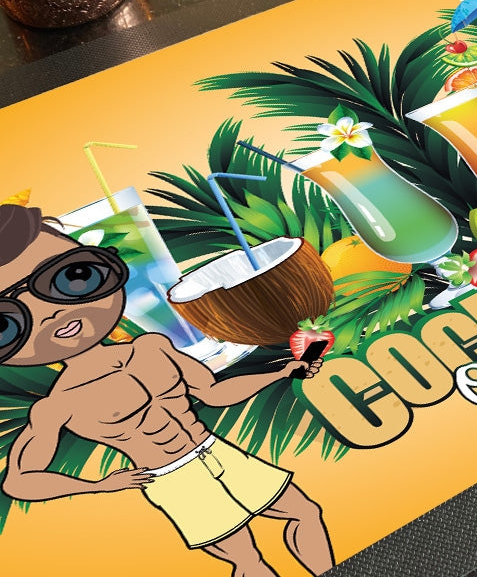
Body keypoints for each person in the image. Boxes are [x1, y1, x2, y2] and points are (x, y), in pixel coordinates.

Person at [0, 204, 334, 577]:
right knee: (246, 559)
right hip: (172, 480)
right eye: (5, 323)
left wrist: (281, 373)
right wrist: (99, 486)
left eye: (73, 276)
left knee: (305, 511)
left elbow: (213, 393)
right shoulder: (56, 406)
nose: (50, 314)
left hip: (217, 451)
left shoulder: (151, 348)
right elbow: (20, 481)